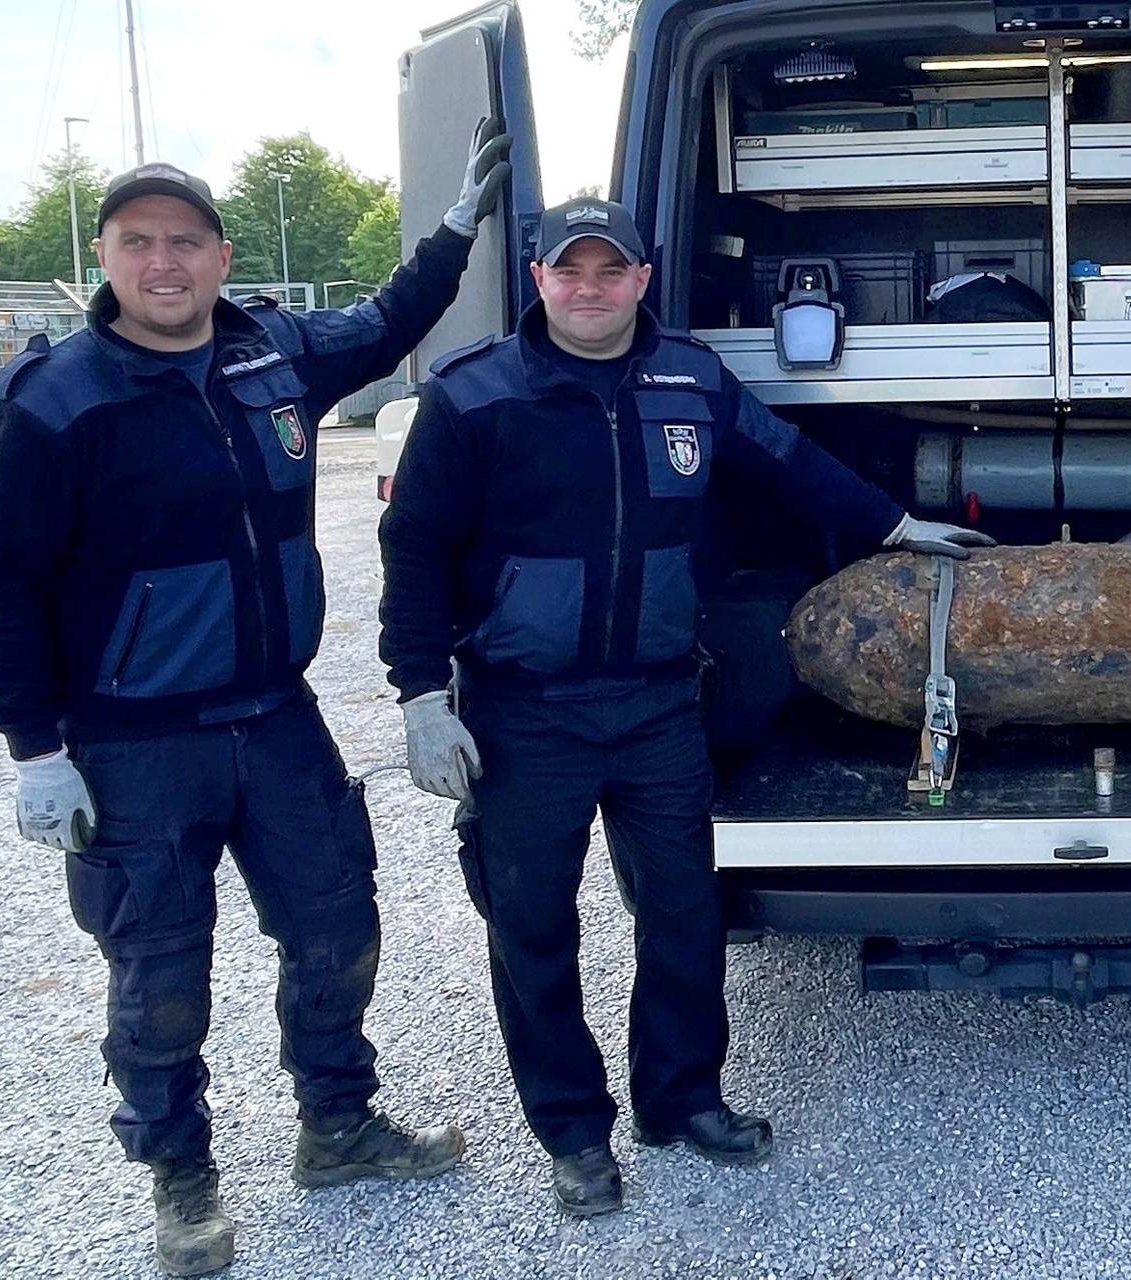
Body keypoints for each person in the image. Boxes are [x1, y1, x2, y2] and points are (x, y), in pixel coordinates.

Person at [0, 128, 511, 1280]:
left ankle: (336, 1125)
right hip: (132, 740)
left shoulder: (273, 356)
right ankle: (181, 1175)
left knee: (337, 926)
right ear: (103, 257)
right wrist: (33, 748)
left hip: (274, 717)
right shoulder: (56, 402)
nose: (162, 263)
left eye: (184, 242)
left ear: (220, 257)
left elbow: (386, 324)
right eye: (136, 242)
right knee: (160, 973)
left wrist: (456, 231)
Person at [378, 198, 989, 1218]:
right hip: (523, 711)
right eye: (568, 269)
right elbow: (414, 549)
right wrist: (418, 697)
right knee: (531, 928)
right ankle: (574, 1134)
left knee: (682, 915)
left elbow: (789, 461)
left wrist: (894, 524)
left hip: (658, 702)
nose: (589, 287)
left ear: (642, 279)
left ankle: (681, 1100)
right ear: (538, 278)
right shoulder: (473, 392)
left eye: (608, 269)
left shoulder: (690, 380)